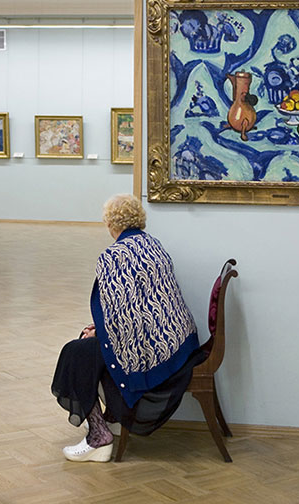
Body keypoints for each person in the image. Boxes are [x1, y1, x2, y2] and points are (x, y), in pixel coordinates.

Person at [51, 194, 203, 462]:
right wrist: (99, 329)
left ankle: (99, 436)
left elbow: (123, 309)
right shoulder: (151, 243)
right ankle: (109, 419)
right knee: (87, 350)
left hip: (154, 350)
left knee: (75, 353)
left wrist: (99, 331)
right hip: (176, 343)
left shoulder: (114, 255)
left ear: (111, 223)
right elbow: (137, 305)